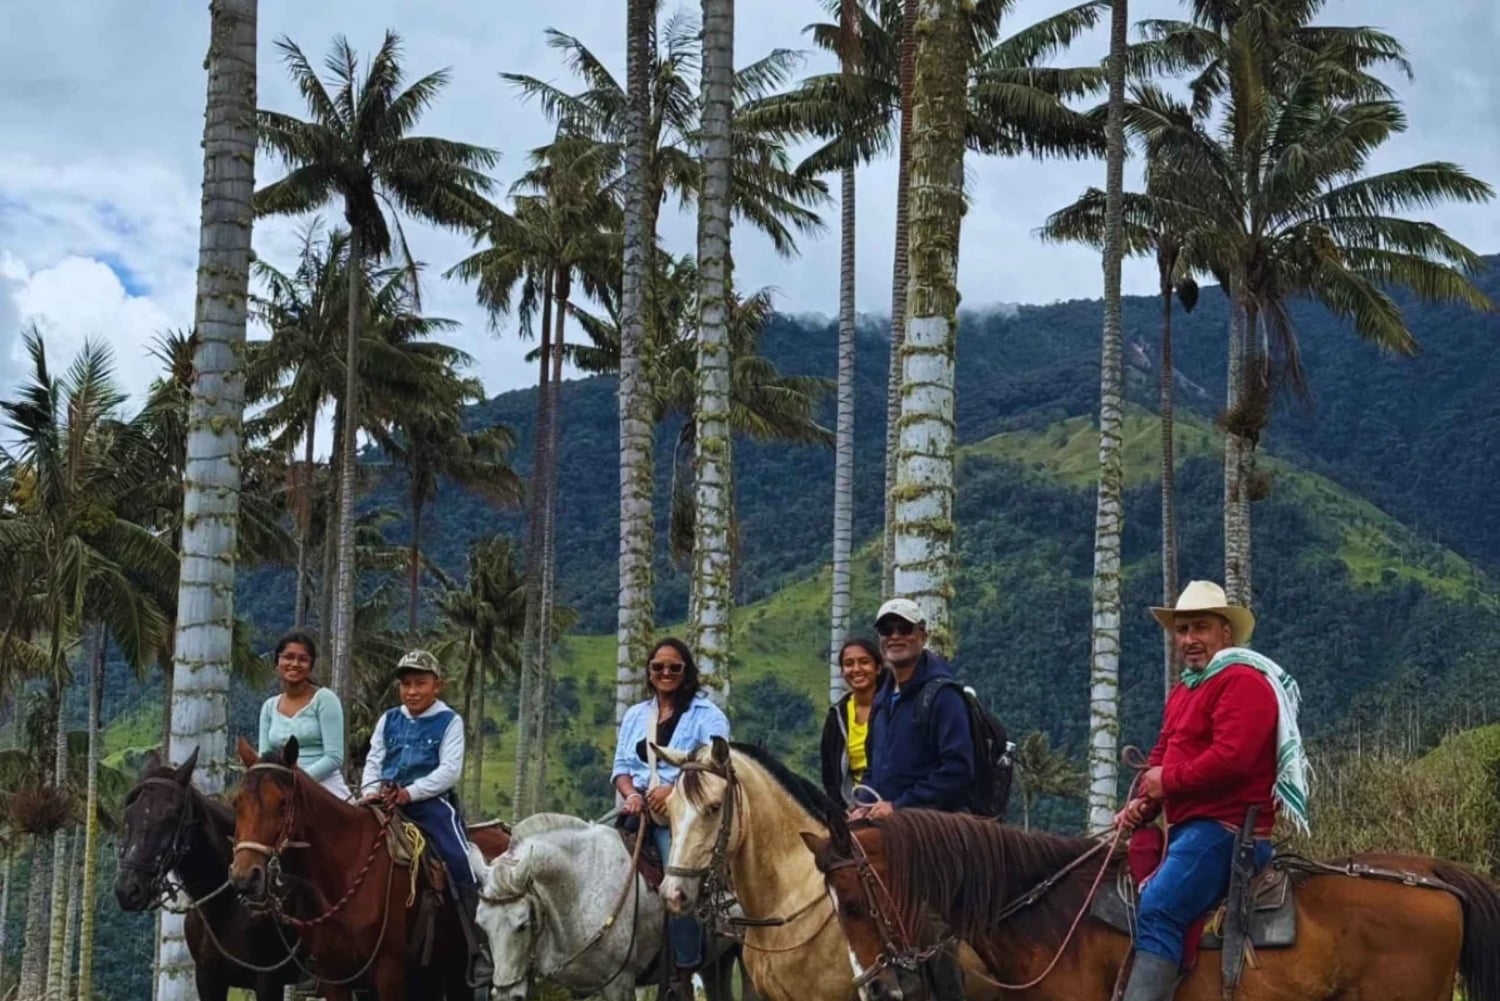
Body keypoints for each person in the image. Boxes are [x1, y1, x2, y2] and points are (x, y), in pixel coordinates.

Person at [1114, 580, 1310, 1001]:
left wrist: (1166, 781)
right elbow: (1162, 754)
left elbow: (1231, 759)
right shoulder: (1186, 689)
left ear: (1226, 632)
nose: (1188, 640)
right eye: (1182, 630)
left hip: (1226, 831)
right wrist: (1141, 806)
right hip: (1191, 830)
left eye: (1199, 628)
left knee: (1160, 906)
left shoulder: (1241, 680)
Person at [359, 649, 489, 984]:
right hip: (384, 801)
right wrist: (370, 791)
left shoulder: (449, 721)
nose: (412, 691)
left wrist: (410, 792)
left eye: (420, 683)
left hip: (430, 805)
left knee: (462, 861)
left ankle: (480, 948)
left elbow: (448, 771)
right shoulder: (389, 718)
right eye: (406, 684)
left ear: (437, 686)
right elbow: (375, 758)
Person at [611, 637, 730, 1001]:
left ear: (686, 671)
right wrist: (631, 793)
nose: (665, 673)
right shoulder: (635, 715)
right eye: (658, 667)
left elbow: (715, 768)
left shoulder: (707, 715)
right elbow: (620, 768)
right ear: (649, 671)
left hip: (679, 813)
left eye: (674, 667)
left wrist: (673, 790)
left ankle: (685, 969)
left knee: (678, 883)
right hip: (636, 807)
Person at [854, 598, 974, 821]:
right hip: (888, 827)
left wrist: (900, 805)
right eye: (886, 630)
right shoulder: (882, 699)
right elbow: (874, 768)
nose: (895, 636)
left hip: (931, 831)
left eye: (904, 629)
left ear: (922, 636)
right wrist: (863, 803)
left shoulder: (943, 696)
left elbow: (957, 771)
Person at [258, 630, 351, 801]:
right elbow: (264, 757)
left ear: (311, 666)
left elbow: (334, 757)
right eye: (288, 657)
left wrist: (297, 781)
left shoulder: (325, 699)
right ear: (277, 663)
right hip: (279, 787)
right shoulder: (269, 707)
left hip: (324, 785)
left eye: (302, 659)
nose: (294, 663)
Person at [820, 637, 883, 806]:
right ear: (842, 671)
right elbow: (829, 774)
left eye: (864, 662)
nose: (856, 669)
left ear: (878, 668)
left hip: (887, 803)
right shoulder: (837, 715)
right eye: (849, 664)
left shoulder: (891, 708)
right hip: (850, 807)